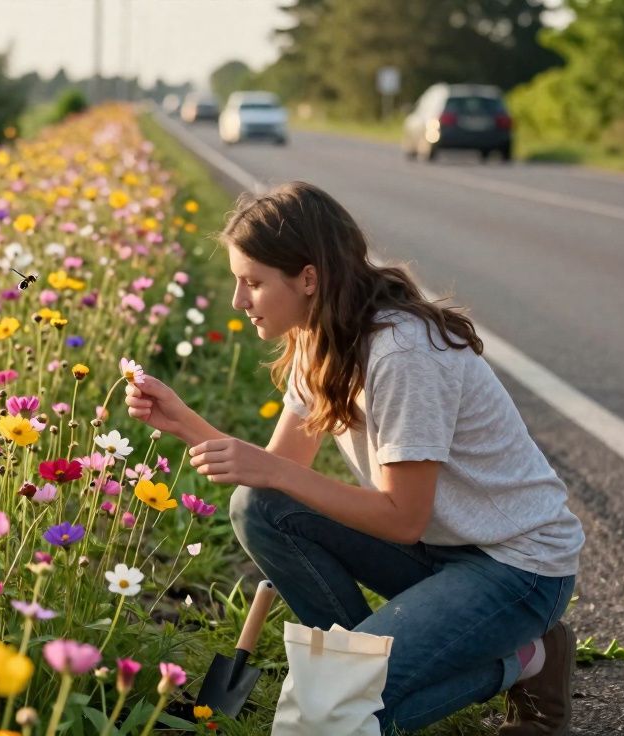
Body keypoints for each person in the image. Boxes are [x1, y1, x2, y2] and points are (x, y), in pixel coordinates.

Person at [125, 181, 584, 735]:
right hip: (437, 549)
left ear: (309, 278)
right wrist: (184, 422)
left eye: (252, 282)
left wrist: (272, 470)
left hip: (516, 566)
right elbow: (273, 477)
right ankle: (371, 665)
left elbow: (402, 517)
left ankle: (525, 658)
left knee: (330, 717)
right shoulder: (318, 337)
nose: (238, 301)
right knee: (259, 508)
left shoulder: (402, 353)